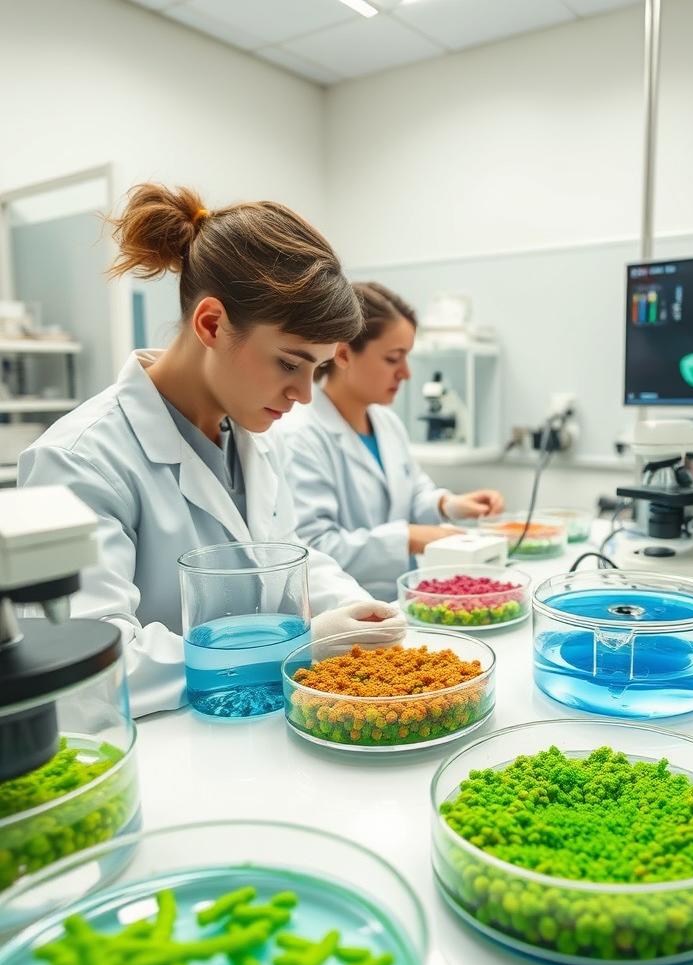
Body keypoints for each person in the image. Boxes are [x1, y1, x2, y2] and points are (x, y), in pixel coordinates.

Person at [18, 184, 400, 717]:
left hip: (253, 729)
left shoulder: (248, 437)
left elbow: (285, 555)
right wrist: (299, 645)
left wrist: (353, 606)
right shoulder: (79, 461)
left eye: (316, 369)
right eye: (290, 364)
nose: (304, 394)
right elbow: (89, 677)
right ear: (212, 324)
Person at [278, 283, 504, 599]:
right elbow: (315, 547)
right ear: (342, 353)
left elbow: (413, 492)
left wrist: (448, 504)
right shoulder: (301, 435)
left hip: (400, 600)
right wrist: (408, 538)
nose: (406, 373)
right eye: (393, 358)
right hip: (344, 610)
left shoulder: (386, 422)